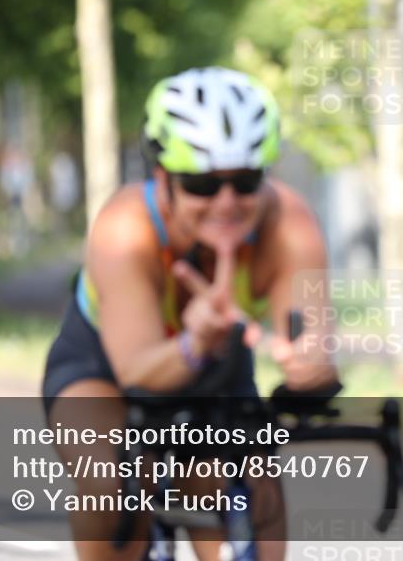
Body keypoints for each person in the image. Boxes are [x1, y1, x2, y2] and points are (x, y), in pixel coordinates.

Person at [42, 67, 339, 561]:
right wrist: (193, 341)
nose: (227, 202)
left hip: (219, 368)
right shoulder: (124, 229)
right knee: (110, 485)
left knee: (256, 503)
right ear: (163, 179)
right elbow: (136, 370)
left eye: (245, 181)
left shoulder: (290, 226)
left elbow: (305, 335)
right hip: (104, 368)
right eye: (202, 184)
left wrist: (309, 368)